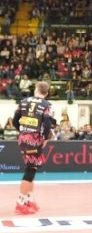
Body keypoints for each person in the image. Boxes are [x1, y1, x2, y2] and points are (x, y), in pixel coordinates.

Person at [12, 81, 53, 215]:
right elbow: (47, 124)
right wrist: (45, 138)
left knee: (32, 168)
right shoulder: (46, 105)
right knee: (30, 169)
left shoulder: (23, 101)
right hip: (35, 139)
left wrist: (23, 132)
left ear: (36, 90)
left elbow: (15, 120)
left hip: (24, 138)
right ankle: (20, 203)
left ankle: (29, 200)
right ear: (46, 93)